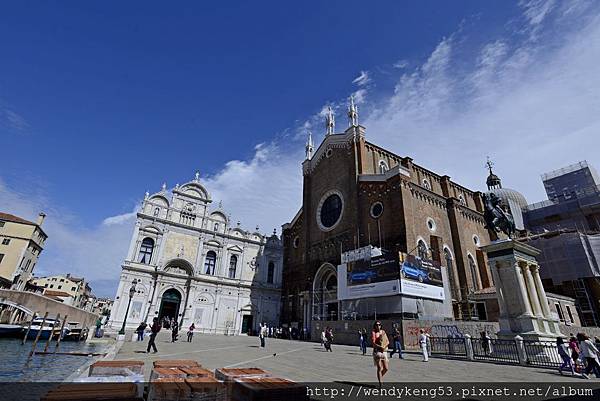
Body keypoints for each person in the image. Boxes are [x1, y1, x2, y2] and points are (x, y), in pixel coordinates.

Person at [371, 321, 389, 389]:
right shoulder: (374, 333)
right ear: (375, 326)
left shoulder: (383, 332)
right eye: (376, 325)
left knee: (386, 368)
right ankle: (380, 384)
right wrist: (379, 347)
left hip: (384, 351)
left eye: (379, 325)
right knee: (379, 368)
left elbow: (387, 341)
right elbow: (373, 343)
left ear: (381, 326)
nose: (378, 326)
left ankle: (380, 377)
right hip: (377, 351)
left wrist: (384, 347)